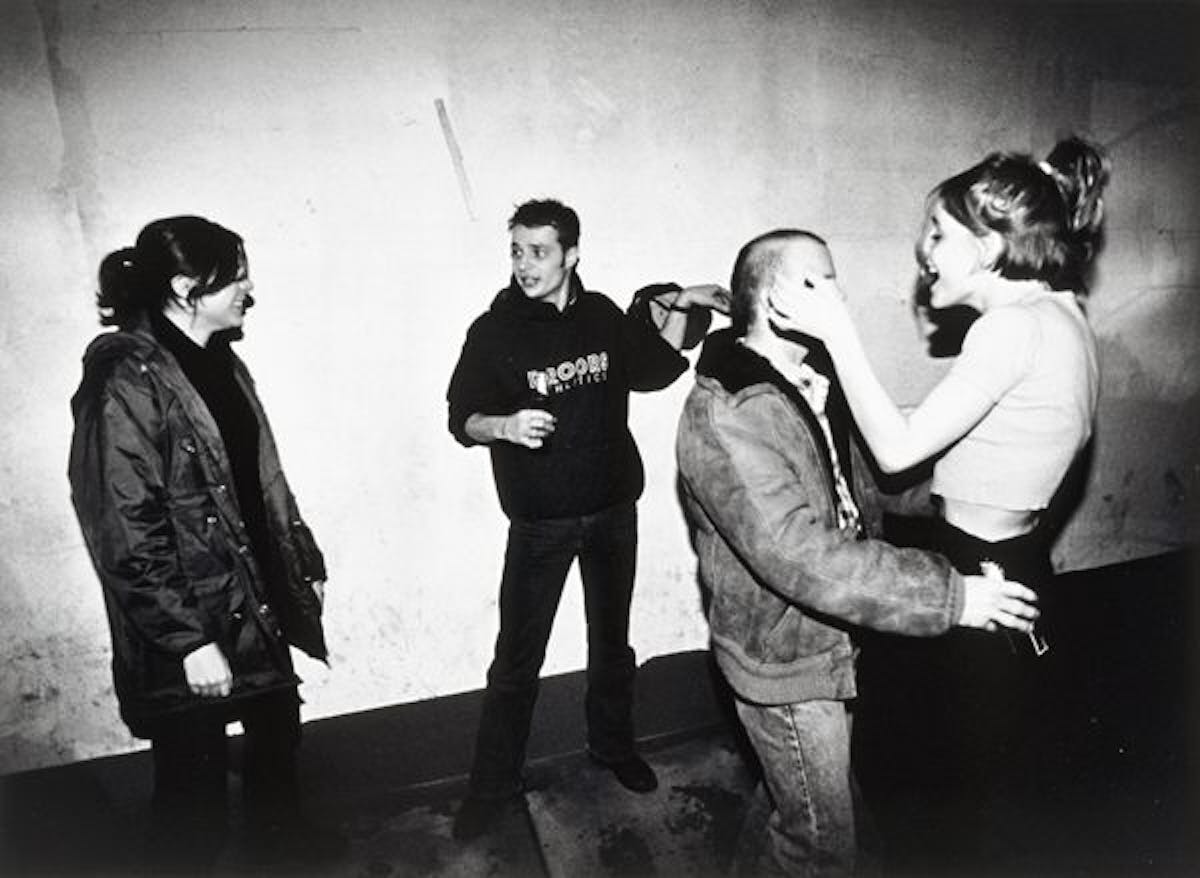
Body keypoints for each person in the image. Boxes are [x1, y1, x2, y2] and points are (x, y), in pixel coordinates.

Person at [767, 137, 1110, 871]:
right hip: (1016, 558)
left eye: (938, 234)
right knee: (972, 781)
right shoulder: (1060, 312)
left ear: (987, 248)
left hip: (974, 568)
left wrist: (837, 336)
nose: (923, 251)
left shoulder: (1008, 328)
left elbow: (898, 453)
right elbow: (959, 437)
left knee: (928, 788)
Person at [675, 229, 1041, 876]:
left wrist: (971, 490)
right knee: (822, 845)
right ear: (773, 297)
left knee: (799, 806)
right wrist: (950, 596)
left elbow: (864, 484)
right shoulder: (727, 411)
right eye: (821, 281)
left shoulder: (810, 378)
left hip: (832, 637)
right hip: (786, 659)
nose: (838, 296)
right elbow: (798, 555)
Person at [446, 198, 729, 840]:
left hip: (612, 511)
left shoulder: (601, 316)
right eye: (516, 251)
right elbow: (460, 416)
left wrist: (683, 301)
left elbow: (654, 370)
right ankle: (491, 786)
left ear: (571, 254)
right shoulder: (492, 332)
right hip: (540, 523)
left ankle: (613, 747)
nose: (524, 264)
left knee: (612, 642)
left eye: (538, 251)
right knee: (517, 659)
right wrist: (504, 426)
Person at [68, 216, 338, 872]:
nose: (249, 289)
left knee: (277, 752)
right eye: (234, 277)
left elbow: (261, 478)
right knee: (192, 800)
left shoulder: (222, 363)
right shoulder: (125, 382)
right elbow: (122, 528)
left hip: (255, 601)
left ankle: (283, 854)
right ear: (186, 288)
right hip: (190, 623)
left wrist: (300, 561)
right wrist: (186, 641)